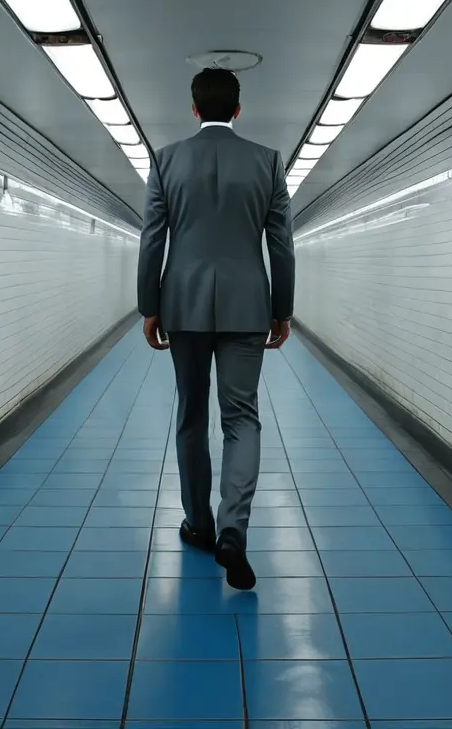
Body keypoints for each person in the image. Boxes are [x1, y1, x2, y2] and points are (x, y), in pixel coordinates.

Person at [136, 67, 295, 590]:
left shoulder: (166, 161)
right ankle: (233, 530)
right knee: (241, 417)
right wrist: (282, 308)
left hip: (182, 306)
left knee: (190, 415)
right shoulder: (268, 162)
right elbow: (281, 244)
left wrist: (149, 305)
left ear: (194, 108)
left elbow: (152, 239)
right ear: (239, 109)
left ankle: (199, 524)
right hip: (247, 307)